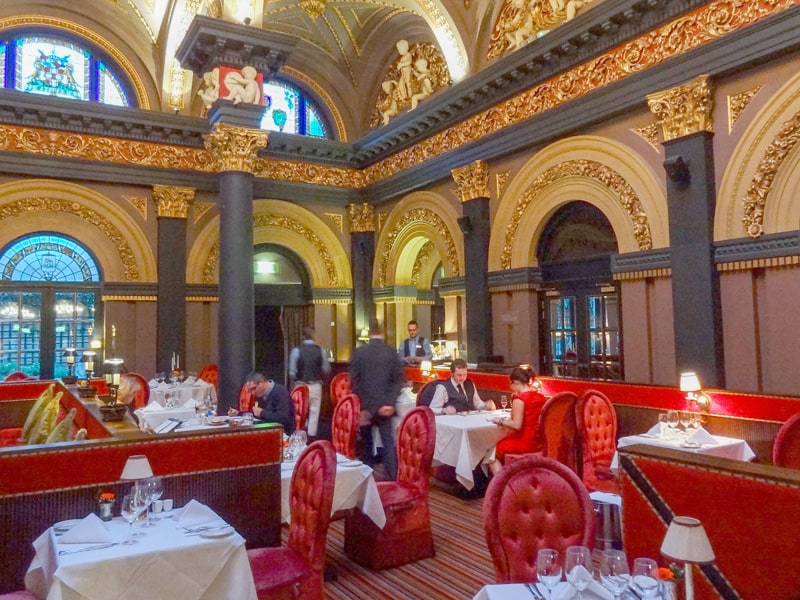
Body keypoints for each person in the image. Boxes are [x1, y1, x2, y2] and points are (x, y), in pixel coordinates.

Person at [349, 319, 405, 480]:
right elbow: (398, 380)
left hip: (366, 408)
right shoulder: (392, 352)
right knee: (388, 445)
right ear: (383, 332)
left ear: (370, 333)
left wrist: (366, 408)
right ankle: (393, 481)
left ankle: (366, 485)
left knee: (367, 447)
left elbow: (355, 382)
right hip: (385, 408)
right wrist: (389, 403)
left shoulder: (359, 353)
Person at [488, 365, 546, 475]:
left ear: (515, 382)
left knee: (491, 455)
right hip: (538, 442)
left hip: (524, 442)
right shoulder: (540, 397)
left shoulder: (519, 399)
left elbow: (516, 425)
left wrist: (499, 421)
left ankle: (503, 485)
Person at [288, 326, 331, 437]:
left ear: (302, 337)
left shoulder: (296, 351)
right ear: (314, 336)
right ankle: (311, 437)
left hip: (300, 385)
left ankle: (299, 435)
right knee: (314, 412)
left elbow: (292, 372)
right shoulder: (320, 351)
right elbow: (326, 369)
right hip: (316, 385)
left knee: (300, 412)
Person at [228, 371, 294, 434]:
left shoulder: (280, 392)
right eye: (250, 391)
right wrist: (238, 413)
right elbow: (255, 413)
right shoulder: (261, 395)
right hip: (267, 431)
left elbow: (283, 418)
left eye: (253, 389)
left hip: (282, 434)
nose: (252, 393)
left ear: (261, 382)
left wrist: (262, 413)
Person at [429, 358, 496, 414]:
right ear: (452, 373)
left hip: (470, 419)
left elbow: (477, 404)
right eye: (459, 375)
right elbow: (431, 409)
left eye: (465, 374)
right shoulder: (443, 387)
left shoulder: (470, 383)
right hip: (452, 422)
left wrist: (486, 405)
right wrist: (444, 410)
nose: (462, 378)